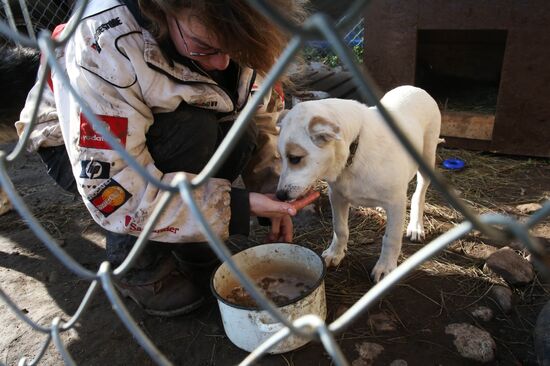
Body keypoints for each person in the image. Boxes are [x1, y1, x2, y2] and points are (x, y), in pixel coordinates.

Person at [14, 0, 310, 317]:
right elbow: (112, 186)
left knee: (243, 130)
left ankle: (191, 240)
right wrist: (235, 206)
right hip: (81, 150)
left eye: (235, 49)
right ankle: (138, 265)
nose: (224, 63)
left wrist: (273, 192)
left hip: (176, 128)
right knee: (193, 129)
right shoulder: (101, 40)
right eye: (204, 46)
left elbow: (262, 114)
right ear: (161, 9)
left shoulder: (250, 20)